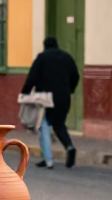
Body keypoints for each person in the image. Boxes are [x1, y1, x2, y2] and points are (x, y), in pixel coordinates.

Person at [22, 37, 80, 169]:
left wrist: (24, 93)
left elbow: (32, 77)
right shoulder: (67, 57)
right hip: (63, 97)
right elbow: (76, 76)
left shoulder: (42, 58)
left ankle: (48, 159)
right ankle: (69, 147)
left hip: (45, 98)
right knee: (59, 125)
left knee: (44, 127)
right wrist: (70, 89)